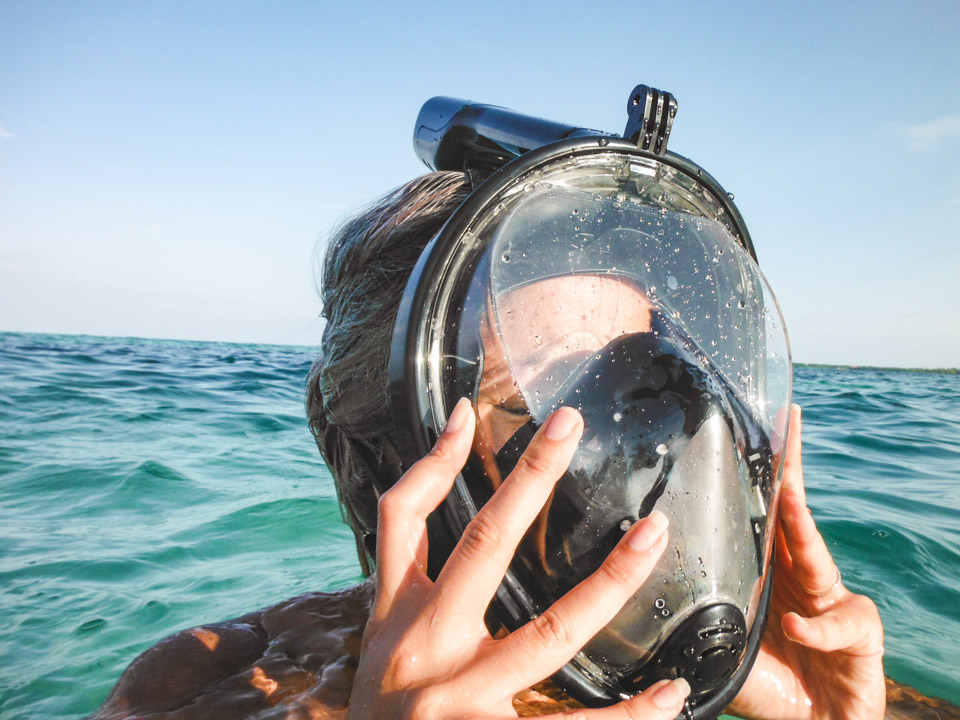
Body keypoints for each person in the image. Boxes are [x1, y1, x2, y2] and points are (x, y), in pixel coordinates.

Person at [91, 170, 900, 720]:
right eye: (559, 389)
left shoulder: (751, 677)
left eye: (645, 371)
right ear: (401, 457)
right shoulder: (209, 678)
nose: (663, 432)